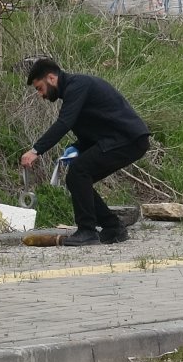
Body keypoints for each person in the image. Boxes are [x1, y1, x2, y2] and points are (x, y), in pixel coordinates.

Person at [20, 58, 150, 246]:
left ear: (51, 78)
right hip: (121, 139)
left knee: (79, 172)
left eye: (40, 88)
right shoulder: (74, 91)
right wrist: (77, 147)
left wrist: (35, 150)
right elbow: (95, 126)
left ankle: (87, 231)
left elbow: (64, 123)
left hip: (127, 139)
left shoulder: (78, 86)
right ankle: (113, 228)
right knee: (77, 179)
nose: (41, 95)